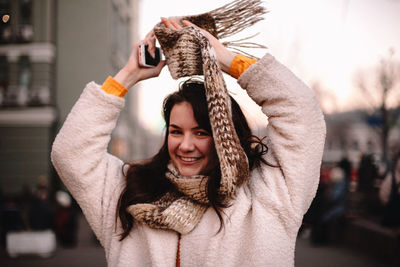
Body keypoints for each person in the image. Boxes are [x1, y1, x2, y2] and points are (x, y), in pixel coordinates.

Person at [51, 17, 326, 266]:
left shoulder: (268, 195)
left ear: (226, 136)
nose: (185, 145)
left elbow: (301, 112)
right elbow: (71, 154)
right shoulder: (132, 193)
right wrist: (129, 75)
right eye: (176, 131)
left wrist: (224, 59)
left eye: (201, 132)